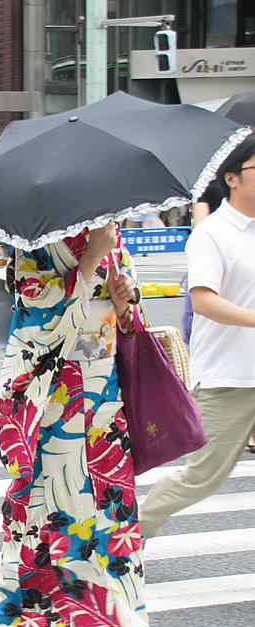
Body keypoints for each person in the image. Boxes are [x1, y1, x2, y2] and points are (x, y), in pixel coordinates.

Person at [0, 221, 148, 627]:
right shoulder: (36, 242)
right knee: (44, 522)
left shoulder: (110, 235)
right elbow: (39, 331)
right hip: (55, 406)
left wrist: (125, 301)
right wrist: (91, 258)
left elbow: (128, 324)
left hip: (104, 408)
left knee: (110, 525)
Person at [137, 136, 255, 541]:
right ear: (233, 178)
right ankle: (127, 539)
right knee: (202, 477)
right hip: (230, 378)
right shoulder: (213, 235)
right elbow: (203, 301)